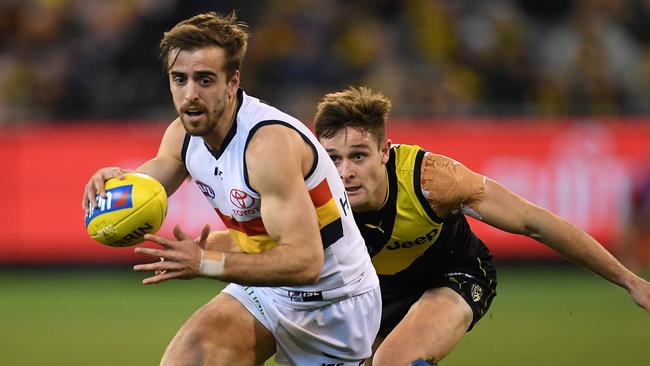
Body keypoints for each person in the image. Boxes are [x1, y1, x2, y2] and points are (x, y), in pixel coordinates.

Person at [81, 13, 381, 366]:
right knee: (187, 360)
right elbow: (143, 188)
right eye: (180, 79)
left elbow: (306, 263)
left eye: (205, 80)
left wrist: (204, 263)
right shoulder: (182, 136)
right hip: (267, 291)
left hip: (334, 302)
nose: (190, 94)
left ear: (232, 82)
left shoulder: (267, 145)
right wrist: (112, 184)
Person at [313, 86, 650, 366]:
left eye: (358, 156)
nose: (344, 173)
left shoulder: (431, 180)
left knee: (393, 363)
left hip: (454, 275)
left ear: (384, 151)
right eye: (333, 158)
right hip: (378, 293)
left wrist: (630, 281)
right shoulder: (308, 191)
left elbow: (534, 222)